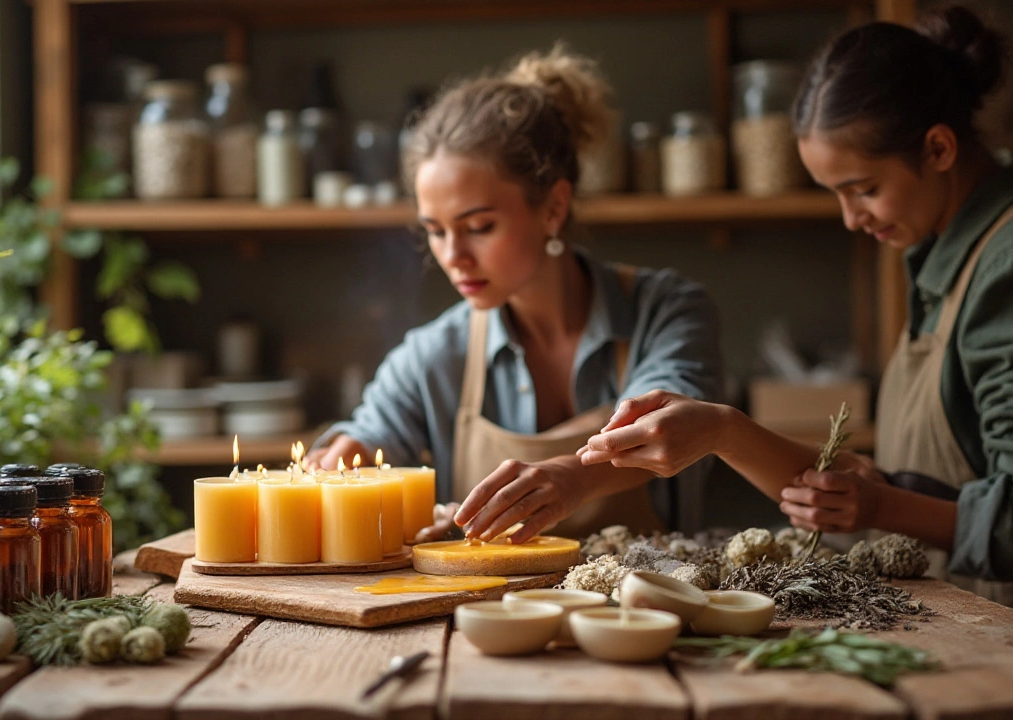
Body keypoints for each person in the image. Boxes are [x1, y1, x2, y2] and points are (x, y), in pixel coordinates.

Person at [578, 6, 1013, 637]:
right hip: (968, 615)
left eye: (864, 188)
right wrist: (719, 429)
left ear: (937, 148)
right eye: (837, 195)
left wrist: (877, 503)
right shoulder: (940, 252)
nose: (852, 218)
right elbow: (943, 487)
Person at [308, 46, 722, 543]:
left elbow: (673, 427)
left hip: (650, 613)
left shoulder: (667, 312)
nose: (452, 255)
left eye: (478, 226)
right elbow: (374, 432)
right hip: (489, 621)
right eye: (435, 231)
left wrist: (573, 477)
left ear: (553, 208)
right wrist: (346, 454)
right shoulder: (434, 353)